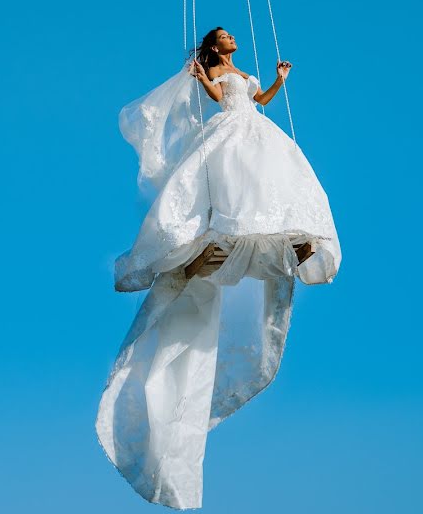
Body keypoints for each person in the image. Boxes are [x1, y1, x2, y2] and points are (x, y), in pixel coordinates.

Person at [95, 27, 342, 510]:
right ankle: (227, 239)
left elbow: (263, 100)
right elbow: (212, 97)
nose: (231, 38)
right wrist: (197, 77)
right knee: (236, 182)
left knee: (269, 182)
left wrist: (279, 79)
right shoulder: (212, 71)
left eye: (232, 35)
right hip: (231, 128)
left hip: (255, 126)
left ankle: (291, 242)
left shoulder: (243, 75)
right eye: (224, 35)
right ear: (214, 46)